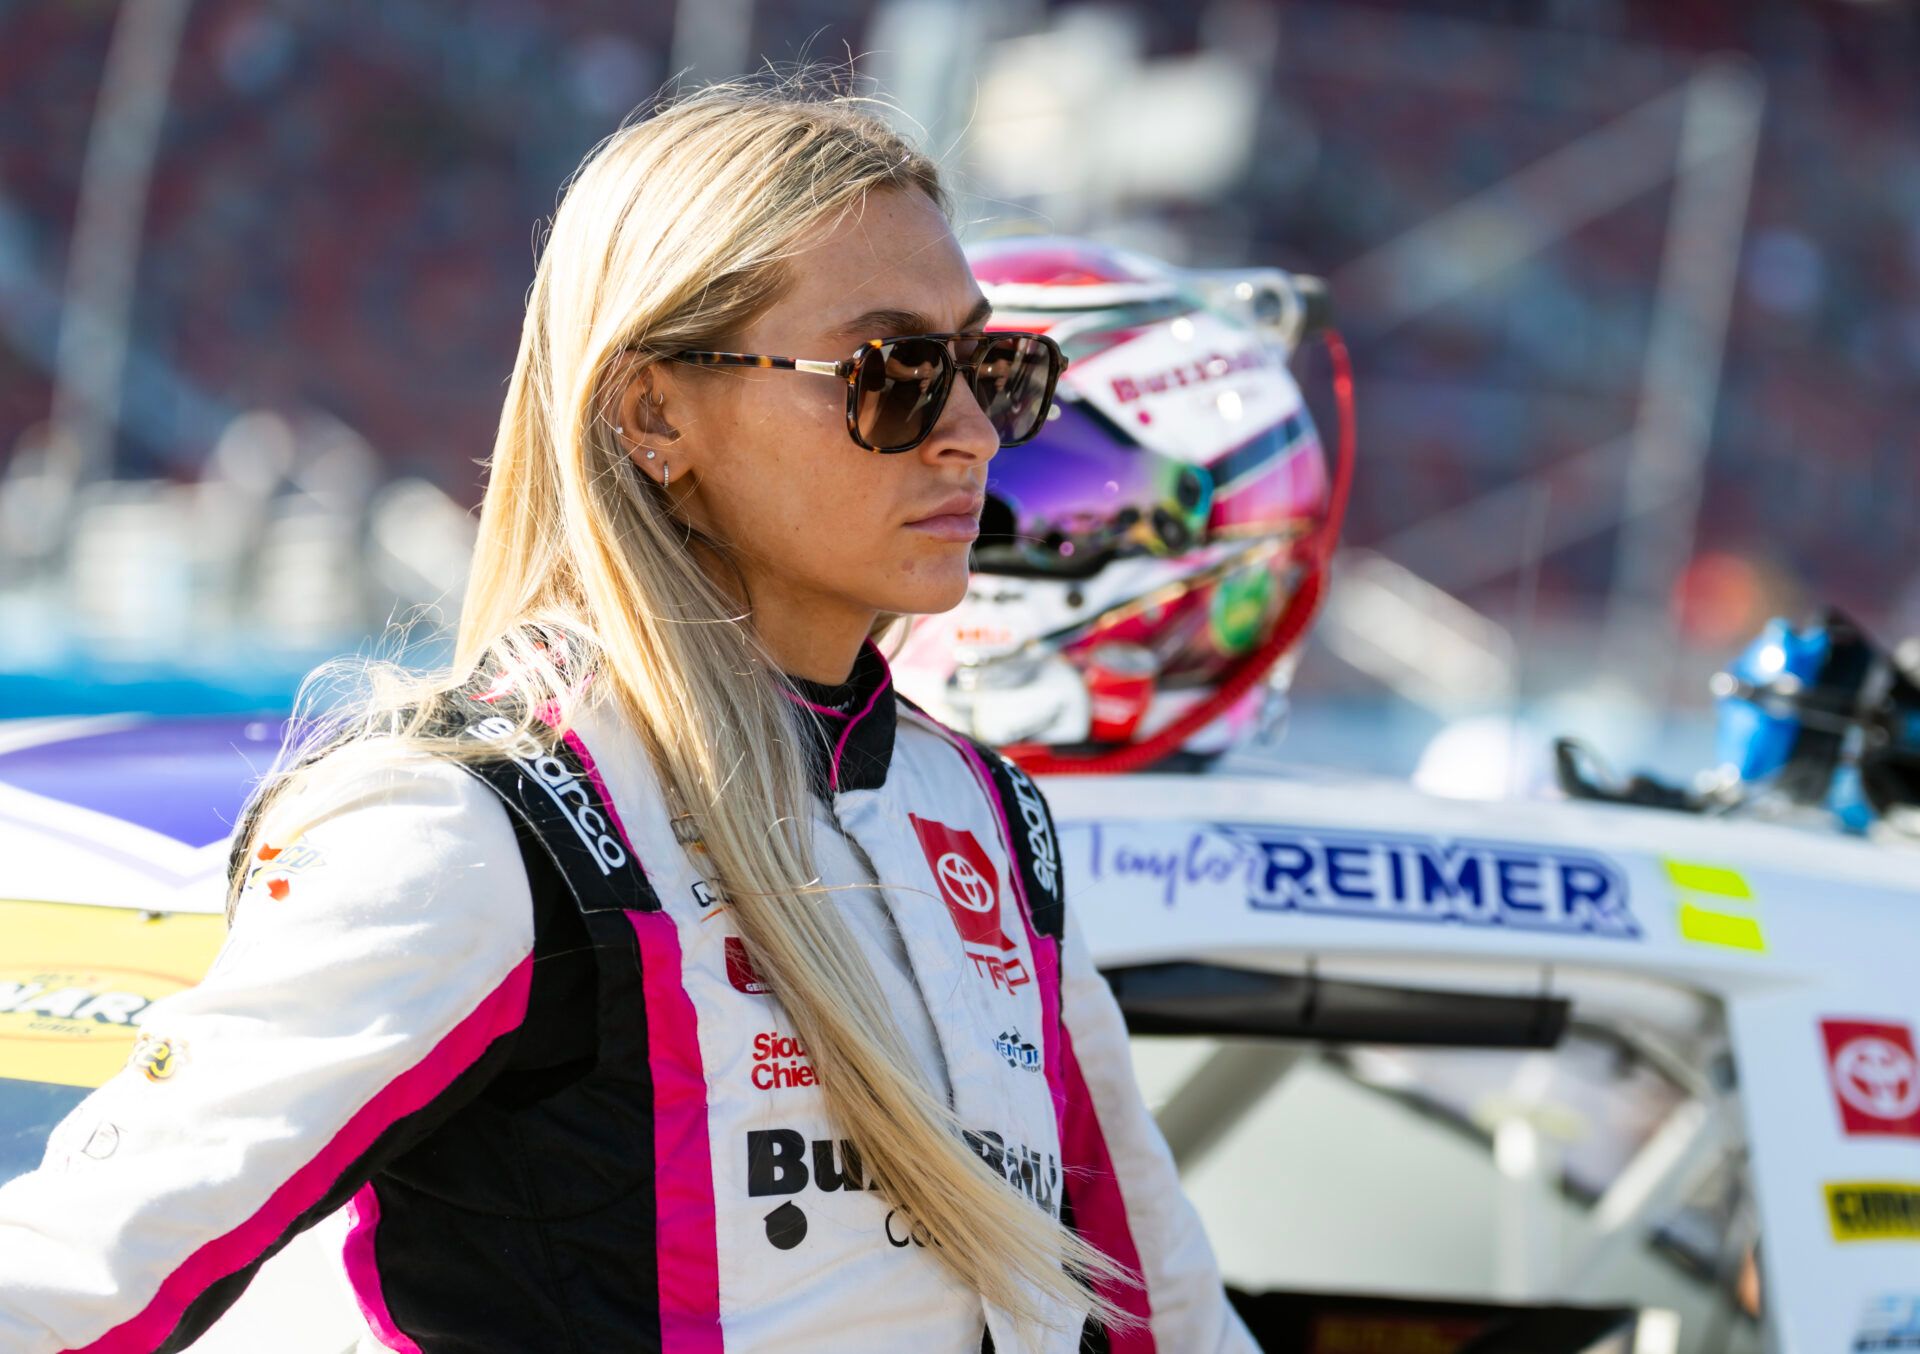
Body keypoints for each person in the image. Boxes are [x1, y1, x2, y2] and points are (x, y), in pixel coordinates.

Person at [0, 78, 1258, 1354]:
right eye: (896, 373)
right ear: (655, 414)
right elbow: (64, 1283)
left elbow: (1171, 1320)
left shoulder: (991, 821)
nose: (976, 434)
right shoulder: (477, 824)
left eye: (994, 365)